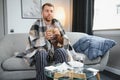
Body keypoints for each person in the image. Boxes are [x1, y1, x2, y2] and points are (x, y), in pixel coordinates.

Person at [16, 3, 72, 80]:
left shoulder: (57, 23)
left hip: (54, 51)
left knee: (62, 51)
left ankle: (60, 77)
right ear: (42, 13)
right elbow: (32, 42)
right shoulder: (36, 24)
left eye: (51, 11)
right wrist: (44, 38)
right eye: (47, 11)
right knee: (41, 53)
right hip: (42, 51)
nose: (49, 13)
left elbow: (65, 43)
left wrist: (59, 36)